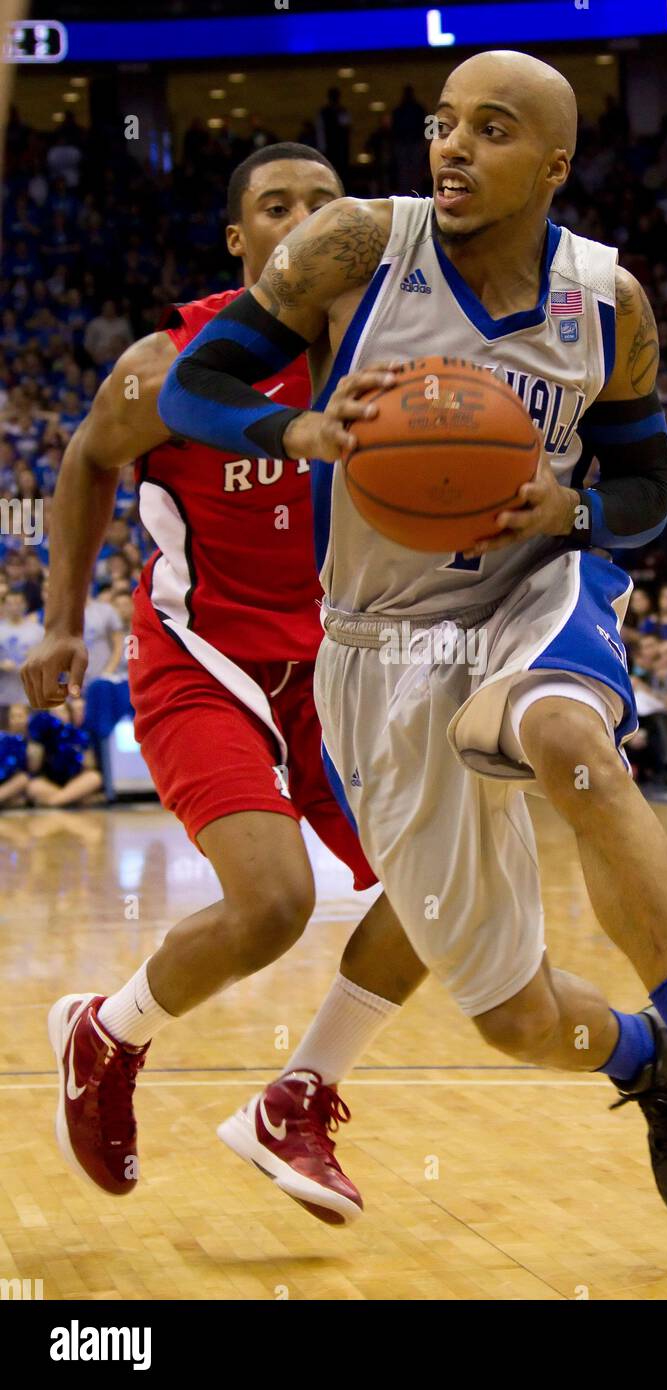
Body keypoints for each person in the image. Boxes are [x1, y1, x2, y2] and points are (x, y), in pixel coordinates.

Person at [159, 50, 667, 1216]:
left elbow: (645, 488)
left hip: (537, 590)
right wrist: (302, 424)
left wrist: (578, 509)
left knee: (570, 735)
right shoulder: (357, 246)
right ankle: (650, 1065)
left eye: (496, 129)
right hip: (379, 646)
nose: (456, 146)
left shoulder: (606, 300)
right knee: (511, 1012)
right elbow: (193, 388)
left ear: (556, 163)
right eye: (445, 122)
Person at [23, 143, 428, 1226]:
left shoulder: (404, 358)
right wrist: (65, 624)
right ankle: (108, 1033)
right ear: (241, 242)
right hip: (201, 660)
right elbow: (85, 460)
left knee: (444, 889)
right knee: (277, 901)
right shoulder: (174, 359)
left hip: (339, 667)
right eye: (275, 206)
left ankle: (297, 1098)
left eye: (325, 204)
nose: (303, 219)